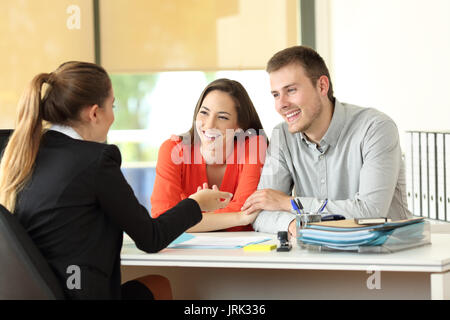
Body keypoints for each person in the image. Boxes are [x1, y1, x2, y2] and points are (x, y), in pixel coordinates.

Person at [0, 61, 232, 299]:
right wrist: (198, 204)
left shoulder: (27, 152)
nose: (113, 116)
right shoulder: (95, 161)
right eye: (113, 105)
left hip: (50, 291)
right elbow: (151, 238)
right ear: (94, 113)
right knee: (159, 285)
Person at [241, 46, 412, 237]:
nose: (281, 104)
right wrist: (291, 224)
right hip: (320, 256)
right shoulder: (282, 136)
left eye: (291, 90)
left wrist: (290, 204)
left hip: (387, 255)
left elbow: (370, 213)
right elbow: (260, 212)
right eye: (275, 94)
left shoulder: (375, 128)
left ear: (322, 86)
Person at [150, 78, 267, 232]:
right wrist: (238, 217)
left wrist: (189, 214)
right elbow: (162, 220)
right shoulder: (173, 150)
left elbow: (246, 212)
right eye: (204, 112)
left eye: (223, 117)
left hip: (241, 252)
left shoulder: (254, 146)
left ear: (239, 127)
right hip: (189, 251)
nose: (209, 125)